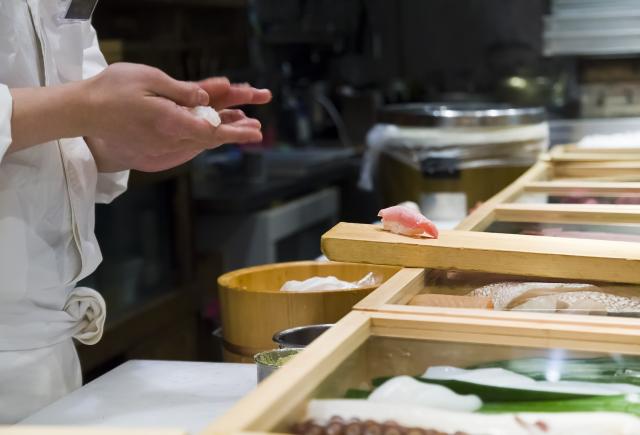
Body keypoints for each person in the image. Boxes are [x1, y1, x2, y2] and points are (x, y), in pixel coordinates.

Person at [0, 1, 271, 423]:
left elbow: (71, 129)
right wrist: (86, 106)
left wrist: (145, 132)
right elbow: (78, 105)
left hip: (47, 353)